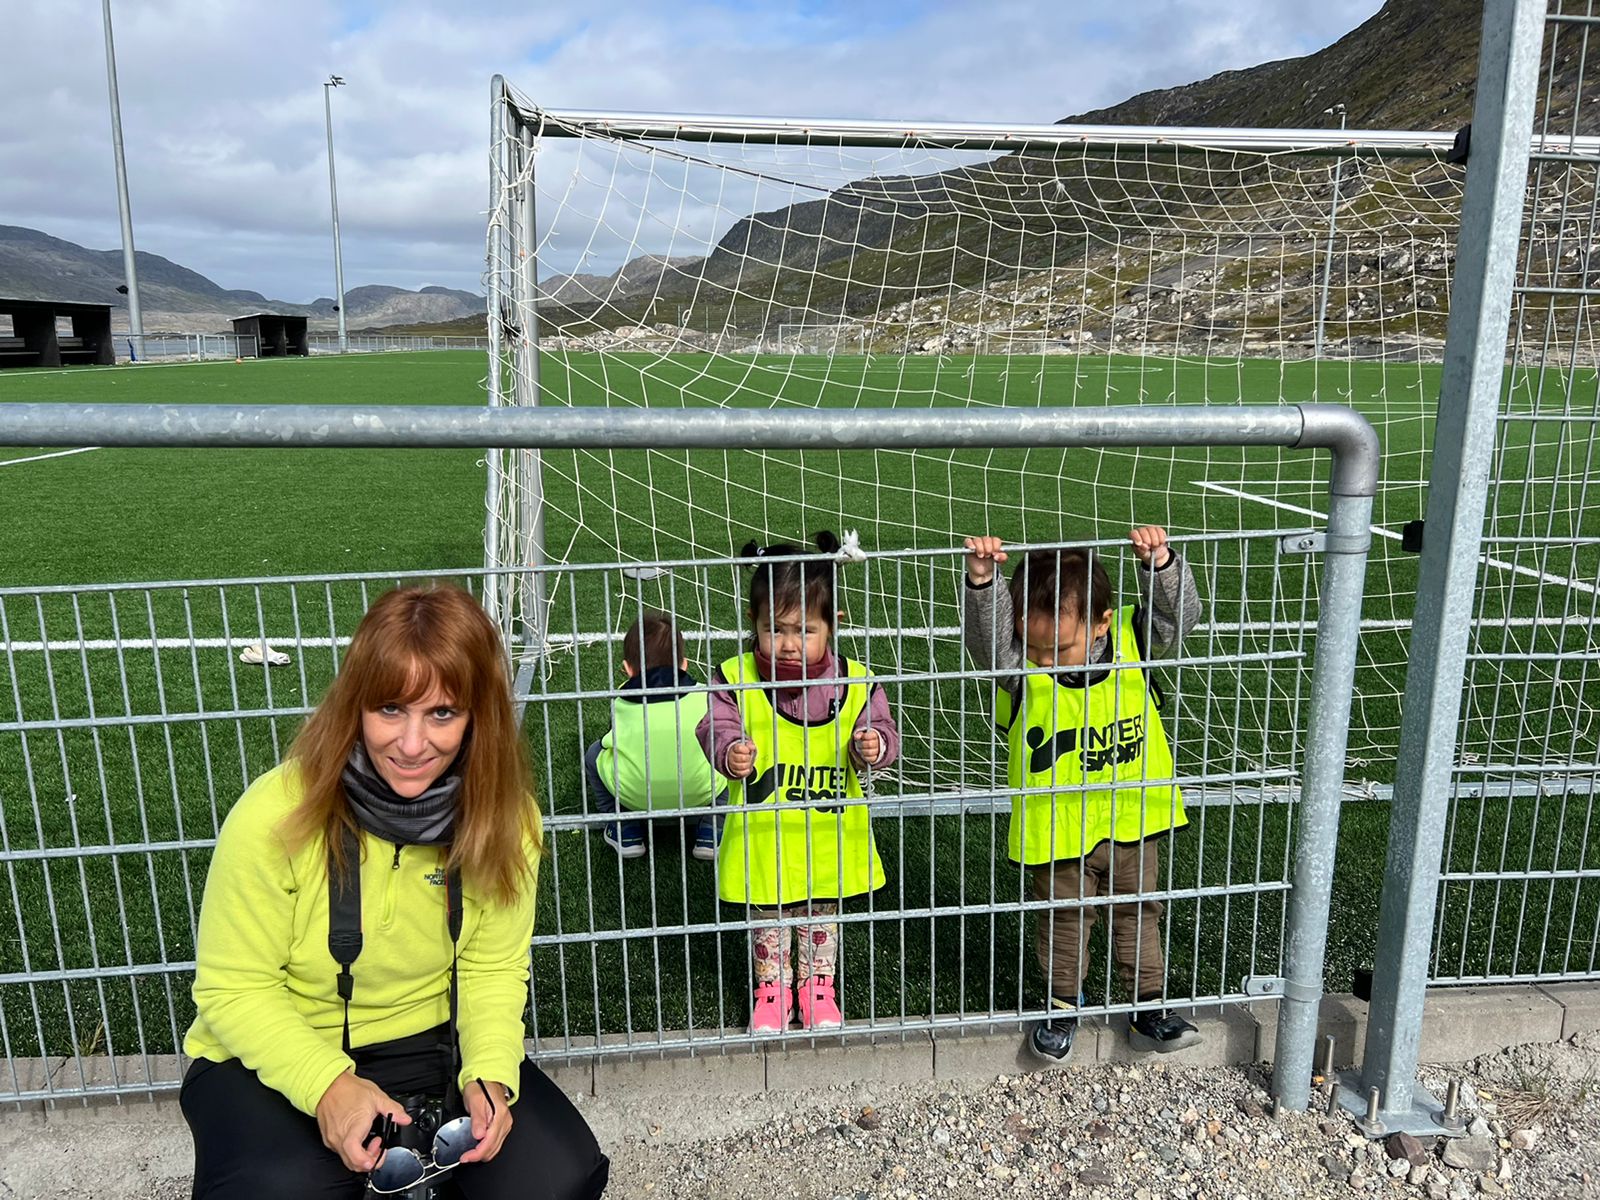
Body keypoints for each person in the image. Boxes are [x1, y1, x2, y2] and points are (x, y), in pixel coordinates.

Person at [180, 583, 609, 1200]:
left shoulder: (508, 818)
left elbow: (493, 967)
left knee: (556, 1177)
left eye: (442, 713)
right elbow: (234, 987)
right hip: (272, 1051)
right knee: (277, 1188)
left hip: (433, 1044)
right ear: (354, 706)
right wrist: (328, 1085)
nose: (411, 745)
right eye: (389, 709)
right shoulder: (274, 813)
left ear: (477, 717)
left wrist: (489, 1073)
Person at [962, 527, 1204, 1062]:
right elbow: (988, 644)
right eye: (1036, 646)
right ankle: (1060, 1006)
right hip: (1058, 828)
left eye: (1060, 648)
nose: (1046, 659)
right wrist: (984, 583)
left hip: (1135, 819)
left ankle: (1149, 1006)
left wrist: (1159, 566)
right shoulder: (1022, 671)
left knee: (1138, 912)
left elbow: (1179, 618)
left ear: (1102, 624)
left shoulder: (1133, 644)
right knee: (1065, 921)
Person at [697, 532, 901, 1034]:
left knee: (819, 916)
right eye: (776, 629)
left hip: (825, 836)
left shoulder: (855, 681)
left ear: (832, 627)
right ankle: (770, 991)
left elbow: (883, 729)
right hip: (765, 838)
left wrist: (872, 744)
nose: (789, 643)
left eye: (804, 630)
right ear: (754, 625)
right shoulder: (735, 677)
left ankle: (817, 988)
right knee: (768, 916)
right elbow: (715, 724)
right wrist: (730, 750)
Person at [583, 610, 724, 859]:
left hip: (635, 795)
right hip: (702, 791)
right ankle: (713, 828)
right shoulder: (706, 694)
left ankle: (622, 826)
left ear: (627, 669)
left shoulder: (620, 701)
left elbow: (613, 741)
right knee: (731, 753)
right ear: (684, 664)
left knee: (594, 754)